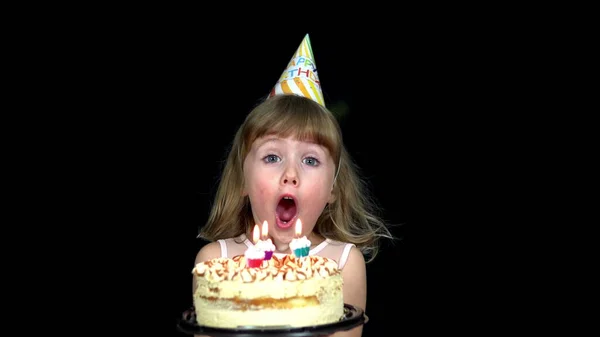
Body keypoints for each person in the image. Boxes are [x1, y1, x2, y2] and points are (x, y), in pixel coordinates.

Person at [193, 34, 393, 337]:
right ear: (242, 182)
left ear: (333, 191)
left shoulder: (343, 264)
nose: (290, 174)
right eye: (272, 156)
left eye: (310, 160)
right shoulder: (215, 262)